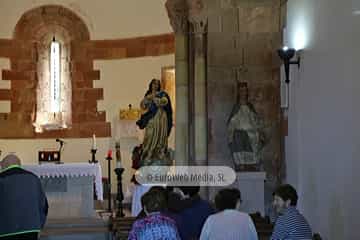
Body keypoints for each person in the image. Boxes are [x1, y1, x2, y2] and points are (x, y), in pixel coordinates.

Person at [0, 154, 48, 240]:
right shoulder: (34, 178)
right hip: (32, 229)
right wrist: (39, 226)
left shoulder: (1, 178)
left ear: (4, 165)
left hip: (5, 230)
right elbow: (44, 205)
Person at [227, 81, 266, 171]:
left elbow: (256, 120)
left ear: (247, 92)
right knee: (238, 136)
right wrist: (232, 131)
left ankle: (253, 163)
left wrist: (259, 129)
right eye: (241, 91)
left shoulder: (250, 106)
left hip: (251, 131)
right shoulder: (236, 107)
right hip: (239, 131)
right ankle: (241, 163)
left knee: (256, 136)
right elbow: (231, 123)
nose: (243, 93)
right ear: (239, 93)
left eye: (245, 91)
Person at [136, 78, 173, 167]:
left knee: (160, 135)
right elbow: (142, 105)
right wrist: (147, 99)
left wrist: (156, 100)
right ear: (151, 85)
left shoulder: (162, 94)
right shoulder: (148, 95)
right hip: (151, 118)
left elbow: (165, 101)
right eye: (154, 84)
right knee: (149, 135)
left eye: (157, 84)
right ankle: (148, 152)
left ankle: (159, 152)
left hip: (160, 118)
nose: (155, 85)